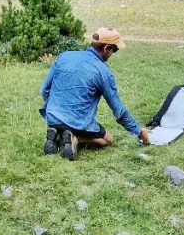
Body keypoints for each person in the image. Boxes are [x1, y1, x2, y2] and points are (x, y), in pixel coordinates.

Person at [40, 28, 151, 160]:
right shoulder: (103, 72)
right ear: (106, 48)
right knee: (108, 140)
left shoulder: (65, 56)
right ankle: (76, 138)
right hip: (78, 122)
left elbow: (44, 90)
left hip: (52, 116)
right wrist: (139, 132)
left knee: (63, 123)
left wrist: (57, 107)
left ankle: (57, 134)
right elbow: (119, 111)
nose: (112, 53)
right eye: (114, 50)